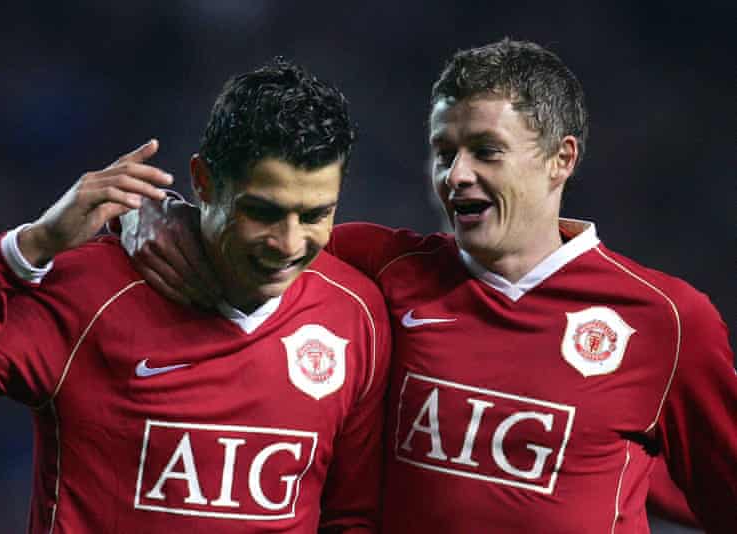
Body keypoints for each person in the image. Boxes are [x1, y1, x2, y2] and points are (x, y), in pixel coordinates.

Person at [130, 39, 737, 533]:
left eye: (486, 151)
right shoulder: (384, 269)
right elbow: (245, 233)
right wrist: (151, 215)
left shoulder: (665, 321)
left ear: (562, 158)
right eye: (443, 152)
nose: (456, 175)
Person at [0, 59, 392, 533]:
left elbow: (350, 516)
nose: (289, 243)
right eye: (264, 212)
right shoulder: (89, 295)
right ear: (203, 182)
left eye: (316, 214)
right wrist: (30, 245)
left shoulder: (355, 314)